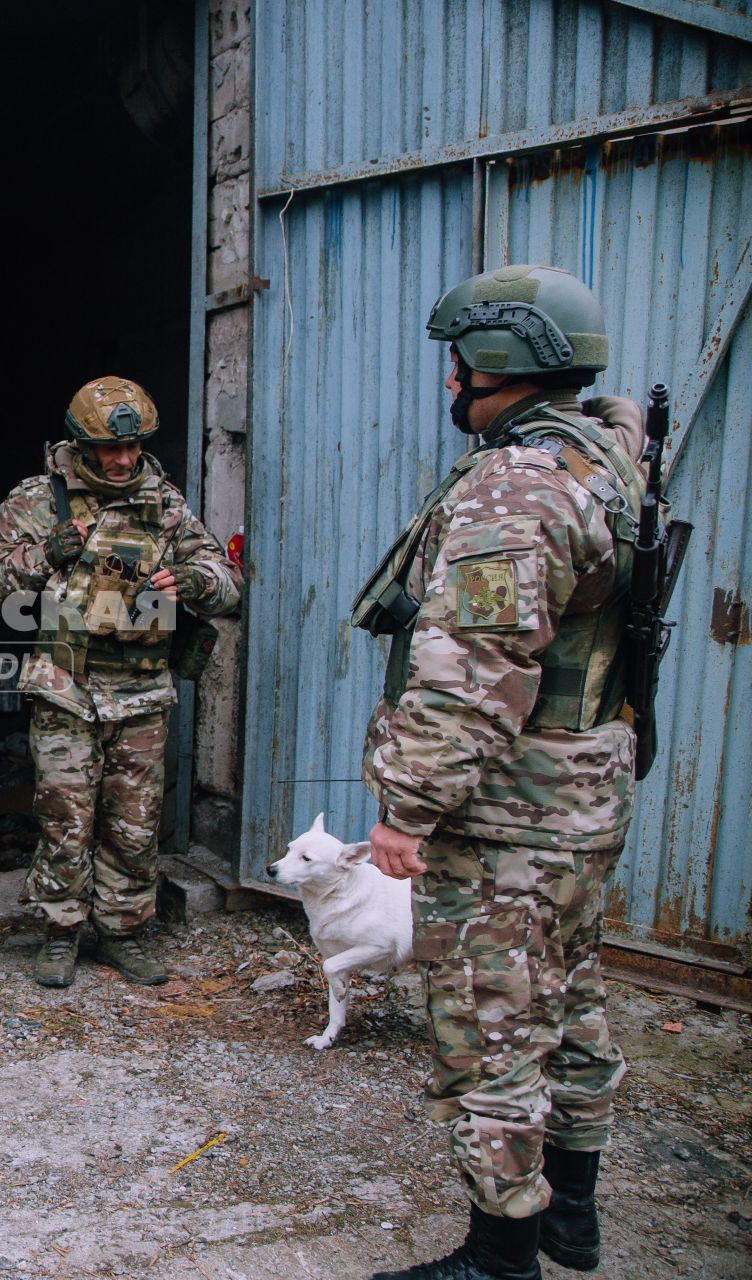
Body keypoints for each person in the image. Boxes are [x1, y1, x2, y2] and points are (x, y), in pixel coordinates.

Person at [353, 266, 645, 1280]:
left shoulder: (518, 484)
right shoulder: (603, 454)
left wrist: (409, 806)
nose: (450, 384)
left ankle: (502, 1251)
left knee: (490, 1022)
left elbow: (473, 666)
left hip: (512, 810)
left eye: (460, 364)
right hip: (578, 795)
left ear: (498, 363)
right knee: (567, 997)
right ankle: (574, 1219)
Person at [0, 377, 240, 988]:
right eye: (108, 449)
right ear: (81, 443)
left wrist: (192, 582)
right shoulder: (37, 500)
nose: (122, 461)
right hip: (66, 687)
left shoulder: (165, 502)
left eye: (133, 448)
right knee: (65, 817)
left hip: (142, 691)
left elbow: (224, 579)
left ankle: (123, 931)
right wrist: (44, 553)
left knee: (135, 821)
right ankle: (61, 931)